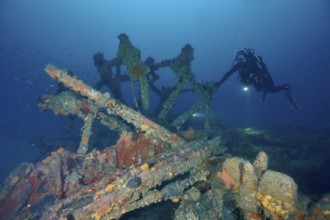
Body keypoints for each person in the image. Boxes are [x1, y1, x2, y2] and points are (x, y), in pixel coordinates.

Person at [215, 49, 299, 109]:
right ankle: (265, 89)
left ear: (245, 56)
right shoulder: (238, 66)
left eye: (242, 56)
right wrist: (219, 82)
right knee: (258, 89)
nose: (241, 59)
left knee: (272, 90)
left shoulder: (252, 60)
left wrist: (256, 76)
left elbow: (262, 69)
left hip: (264, 76)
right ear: (237, 59)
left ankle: (286, 87)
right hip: (254, 79)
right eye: (239, 58)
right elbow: (228, 74)